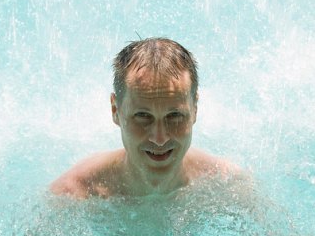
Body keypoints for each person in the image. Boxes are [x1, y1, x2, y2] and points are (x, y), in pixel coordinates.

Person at [50, 37, 244, 199]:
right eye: (143, 116)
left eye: (174, 115)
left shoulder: (228, 185)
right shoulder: (74, 194)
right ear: (115, 110)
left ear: (195, 109)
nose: (159, 138)